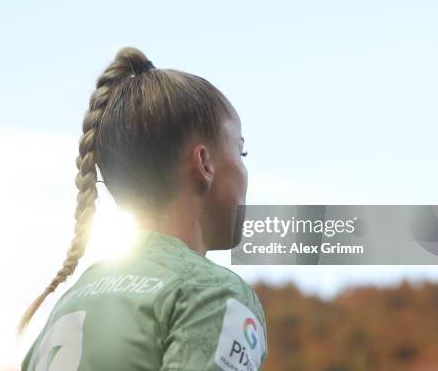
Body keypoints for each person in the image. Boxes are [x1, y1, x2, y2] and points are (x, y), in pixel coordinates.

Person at [18, 47, 268, 371]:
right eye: (241, 151)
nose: (245, 170)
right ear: (204, 163)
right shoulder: (215, 295)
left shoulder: (73, 300)